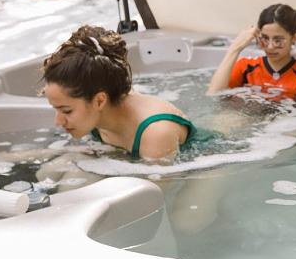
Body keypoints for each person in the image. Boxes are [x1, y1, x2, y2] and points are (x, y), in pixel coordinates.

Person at [43, 25, 206, 160]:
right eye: (55, 109)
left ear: (99, 101)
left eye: (66, 111)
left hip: (203, 168)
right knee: (49, 172)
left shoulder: (156, 133)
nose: (58, 121)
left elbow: (158, 195)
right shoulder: (96, 100)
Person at [207, 3, 296, 99]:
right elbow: (214, 94)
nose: (270, 46)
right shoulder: (246, 66)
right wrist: (235, 49)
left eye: (278, 40)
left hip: (288, 122)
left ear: (294, 37)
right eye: (265, 38)